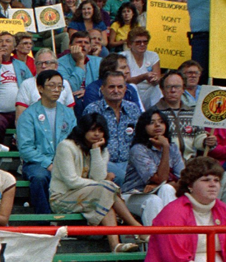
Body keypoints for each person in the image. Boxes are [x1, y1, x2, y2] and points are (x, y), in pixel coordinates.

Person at [50, 112, 143, 252]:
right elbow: (71, 182)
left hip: (93, 195)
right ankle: (136, 227)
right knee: (107, 189)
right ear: (83, 130)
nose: (97, 134)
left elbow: (98, 178)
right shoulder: (66, 146)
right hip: (62, 198)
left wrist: (95, 152)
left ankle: (115, 245)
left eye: (100, 130)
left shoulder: (101, 150)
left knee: (106, 197)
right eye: (93, 130)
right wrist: (103, 184)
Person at [16, 70, 78, 214]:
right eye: (52, 86)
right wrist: (48, 164)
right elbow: (25, 148)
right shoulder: (28, 115)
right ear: (40, 88)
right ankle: (44, 219)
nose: (56, 90)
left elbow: (75, 141)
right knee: (40, 177)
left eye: (59, 86)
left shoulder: (68, 113)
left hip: (64, 161)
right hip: (36, 163)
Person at [124, 109, 185, 226]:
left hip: (161, 191)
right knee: (153, 200)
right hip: (134, 195)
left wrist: (164, 185)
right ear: (144, 127)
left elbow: (183, 178)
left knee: (166, 189)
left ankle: (172, 235)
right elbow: (160, 178)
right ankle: (157, 241)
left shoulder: (173, 147)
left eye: (161, 122)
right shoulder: (138, 149)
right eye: (152, 122)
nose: (157, 125)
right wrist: (165, 148)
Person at [84, 70, 141, 184]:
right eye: (111, 87)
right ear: (102, 89)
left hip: (129, 161)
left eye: (120, 87)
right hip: (103, 161)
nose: (116, 91)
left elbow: (140, 137)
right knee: (120, 176)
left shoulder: (133, 109)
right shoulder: (93, 110)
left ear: (125, 89)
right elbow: (86, 141)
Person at [14, 49, 76, 122]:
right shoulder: (27, 84)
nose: (43, 66)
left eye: (47, 63)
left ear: (56, 66)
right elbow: (20, 117)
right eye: (39, 63)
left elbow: (70, 115)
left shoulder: (64, 83)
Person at [121, 27, 162, 109]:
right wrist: (144, 76)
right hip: (130, 91)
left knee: (156, 88)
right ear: (129, 44)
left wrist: (154, 79)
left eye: (145, 42)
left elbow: (157, 77)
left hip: (149, 91)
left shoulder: (153, 55)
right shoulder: (123, 56)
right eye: (138, 42)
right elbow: (126, 80)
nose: (142, 44)